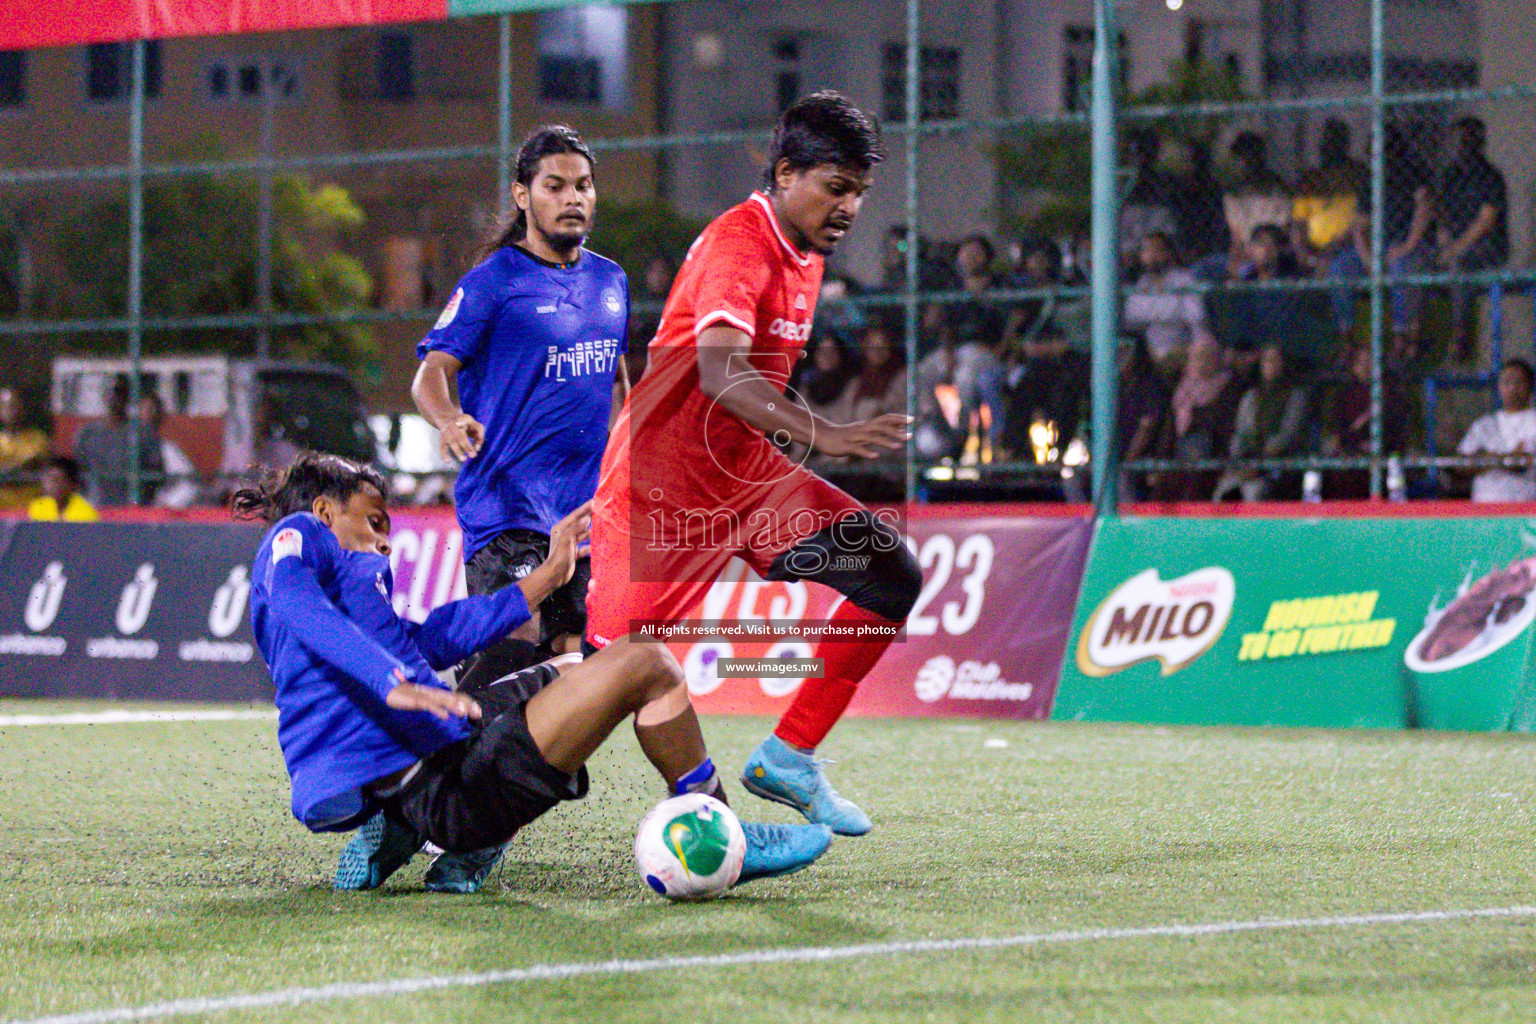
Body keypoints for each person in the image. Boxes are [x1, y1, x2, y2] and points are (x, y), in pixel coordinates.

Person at [234, 451, 832, 894]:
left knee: (571, 663)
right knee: (648, 663)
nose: (386, 542)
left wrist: (547, 574)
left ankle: (396, 832)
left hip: (433, 764)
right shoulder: (297, 538)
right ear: (322, 511)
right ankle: (725, 828)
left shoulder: (352, 583)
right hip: (451, 790)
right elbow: (299, 608)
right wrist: (397, 682)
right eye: (374, 522)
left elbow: (427, 638)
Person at [586, 92, 921, 838]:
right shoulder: (741, 242)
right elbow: (719, 373)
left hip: (747, 480)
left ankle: (790, 757)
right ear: (786, 173)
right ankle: (463, 826)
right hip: (663, 493)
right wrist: (824, 435)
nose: (851, 208)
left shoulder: (805, 254)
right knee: (602, 689)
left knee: (890, 573)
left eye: (861, 192)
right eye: (837, 188)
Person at [412, 125, 629, 689]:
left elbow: (614, 383)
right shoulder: (492, 283)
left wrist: (629, 461)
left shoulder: (612, 281)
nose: (572, 198)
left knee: (575, 666)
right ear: (522, 195)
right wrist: (448, 418)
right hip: (506, 508)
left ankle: (533, 776)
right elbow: (431, 372)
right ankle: (441, 753)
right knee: (515, 651)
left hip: (583, 515)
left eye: (583, 185)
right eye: (554, 186)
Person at [1329, 123, 1434, 354]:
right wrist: (1370, 260)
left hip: (1411, 246)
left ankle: (1401, 339)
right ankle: (1346, 341)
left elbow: (1423, 214)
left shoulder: (1414, 174)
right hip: (1378, 249)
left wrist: (1406, 247)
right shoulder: (1371, 181)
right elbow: (1360, 227)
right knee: (1340, 267)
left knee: (1401, 268)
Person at [1436, 117, 1509, 364]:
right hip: (1455, 246)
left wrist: (1454, 250)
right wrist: (1445, 245)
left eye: (1470, 140)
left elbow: (1485, 223)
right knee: (1421, 262)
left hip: (1488, 247)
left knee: (1462, 263)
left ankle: (1460, 335)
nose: (1464, 146)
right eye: (1460, 140)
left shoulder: (1491, 176)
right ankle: (1415, 342)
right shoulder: (1450, 175)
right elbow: (1443, 218)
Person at [1214, 345, 1311, 502]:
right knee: (1222, 490)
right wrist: (1236, 464)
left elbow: (1287, 436)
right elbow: (1240, 434)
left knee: (1254, 492)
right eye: (1266, 360)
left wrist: (1258, 467)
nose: (1270, 364)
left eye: (1275, 360)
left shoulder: (1295, 396)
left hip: (1280, 466)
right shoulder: (1251, 396)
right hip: (1248, 463)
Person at [1155, 333, 1245, 502]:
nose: (1201, 362)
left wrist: (1196, 418)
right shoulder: (1182, 387)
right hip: (1180, 457)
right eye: (1197, 357)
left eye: (1206, 357)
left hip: (1213, 456)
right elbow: (1170, 429)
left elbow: (1225, 426)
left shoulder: (1230, 386)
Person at [1198, 132, 1291, 283]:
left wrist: (1255, 251)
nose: (1247, 163)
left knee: (1244, 272)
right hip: (1245, 252)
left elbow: (1281, 233)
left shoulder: (1277, 191)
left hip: (1268, 250)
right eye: (1242, 157)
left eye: (1251, 156)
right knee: (1203, 270)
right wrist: (1235, 259)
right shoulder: (1233, 196)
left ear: (1261, 157)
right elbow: (1237, 238)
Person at [1122, 231, 1210, 376]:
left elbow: (1197, 316)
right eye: (1146, 250)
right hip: (1150, 351)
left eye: (1157, 250)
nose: (1151, 255)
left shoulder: (1183, 280)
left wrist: (1153, 312)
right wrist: (1171, 308)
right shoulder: (1142, 283)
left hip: (1182, 348)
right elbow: (1131, 318)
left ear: (1168, 253)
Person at [1291, 118, 1368, 276]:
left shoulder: (1358, 174)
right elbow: (1298, 223)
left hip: (1348, 246)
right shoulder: (1312, 179)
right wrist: (1304, 254)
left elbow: (1362, 222)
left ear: (1345, 145)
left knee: (1338, 268)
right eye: (1326, 140)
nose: (1329, 146)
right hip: (1314, 249)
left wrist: (1330, 251)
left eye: (1335, 141)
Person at [75, 375, 163, 507]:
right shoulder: (87, 434)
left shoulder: (143, 433)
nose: (114, 398)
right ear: (104, 397)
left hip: (132, 509)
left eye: (119, 393)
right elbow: (79, 471)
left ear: (127, 397)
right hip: (97, 507)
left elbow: (155, 473)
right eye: (110, 393)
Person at [1456, 358, 1536, 503]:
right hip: (1485, 506)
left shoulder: (1533, 420)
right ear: (1499, 386)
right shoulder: (1484, 424)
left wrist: (1485, 458)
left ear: (1530, 386)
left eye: (1519, 382)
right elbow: (1462, 465)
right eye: (1506, 382)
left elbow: (1520, 464)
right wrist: (1505, 458)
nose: (1512, 388)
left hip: (1525, 507)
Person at [139, 392, 200, 509]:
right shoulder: (123, 444)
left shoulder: (165, 449)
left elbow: (190, 484)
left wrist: (168, 505)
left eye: (150, 410)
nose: (145, 415)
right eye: (142, 409)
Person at [0, 386, 48, 510]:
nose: (13, 411)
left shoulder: (38, 439)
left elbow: (42, 467)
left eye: (17, 406)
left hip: (31, 508)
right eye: (8, 406)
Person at [27, 456, 99, 522]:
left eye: (57, 480)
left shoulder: (86, 515)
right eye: (49, 480)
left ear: (72, 484)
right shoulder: (38, 507)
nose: (52, 486)